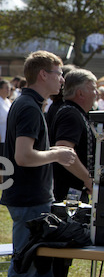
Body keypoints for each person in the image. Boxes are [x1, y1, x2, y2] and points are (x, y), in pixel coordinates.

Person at [1, 51, 76, 277]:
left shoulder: (29, 103)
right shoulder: (29, 107)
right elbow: (24, 156)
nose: (62, 79)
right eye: (58, 73)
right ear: (43, 74)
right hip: (29, 199)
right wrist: (56, 154)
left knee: (38, 266)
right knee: (23, 265)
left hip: (31, 197)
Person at [50, 68, 97, 202]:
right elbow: (63, 149)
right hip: (68, 193)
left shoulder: (76, 112)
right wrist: (88, 180)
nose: (96, 94)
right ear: (80, 93)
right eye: (93, 89)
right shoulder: (70, 114)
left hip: (75, 190)